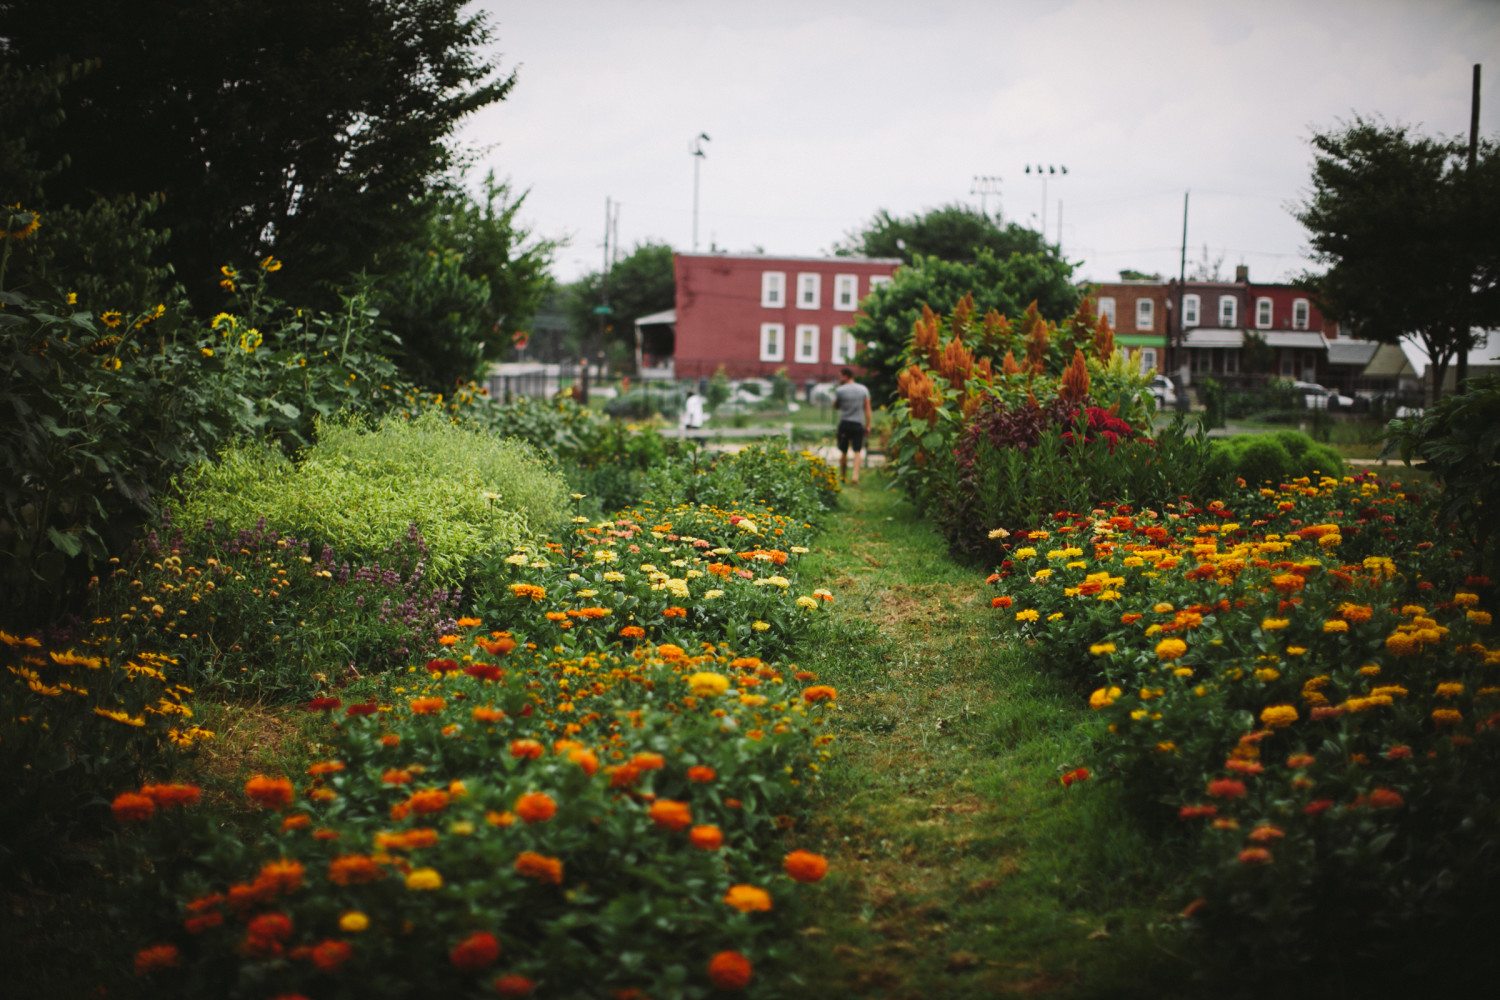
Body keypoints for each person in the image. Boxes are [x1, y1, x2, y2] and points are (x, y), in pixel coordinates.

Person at [832, 366, 872, 485]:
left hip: (844, 423)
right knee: (857, 451)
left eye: (840, 376)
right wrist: (868, 425)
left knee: (843, 451)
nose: (839, 378)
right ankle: (855, 476)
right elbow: (867, 409)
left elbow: (835, 406)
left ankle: (843, 477)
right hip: (858, 424)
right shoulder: (863, 389)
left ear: (845, 376)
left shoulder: (840, 390)